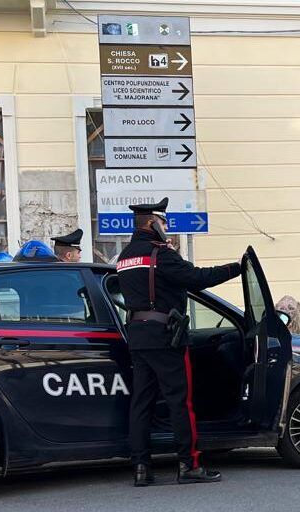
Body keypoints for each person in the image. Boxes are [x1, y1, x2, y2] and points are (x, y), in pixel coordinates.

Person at [116, 197, 242, 487]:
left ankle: (141, 469)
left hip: (137, 336)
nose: (166, 227)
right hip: (165, 338)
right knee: (180, 402)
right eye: (164, 222)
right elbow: (197, 278)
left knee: (141, 403)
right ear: (152, 223)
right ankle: (189, 465)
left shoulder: (124, 257)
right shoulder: (161, 254)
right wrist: (235, 268)